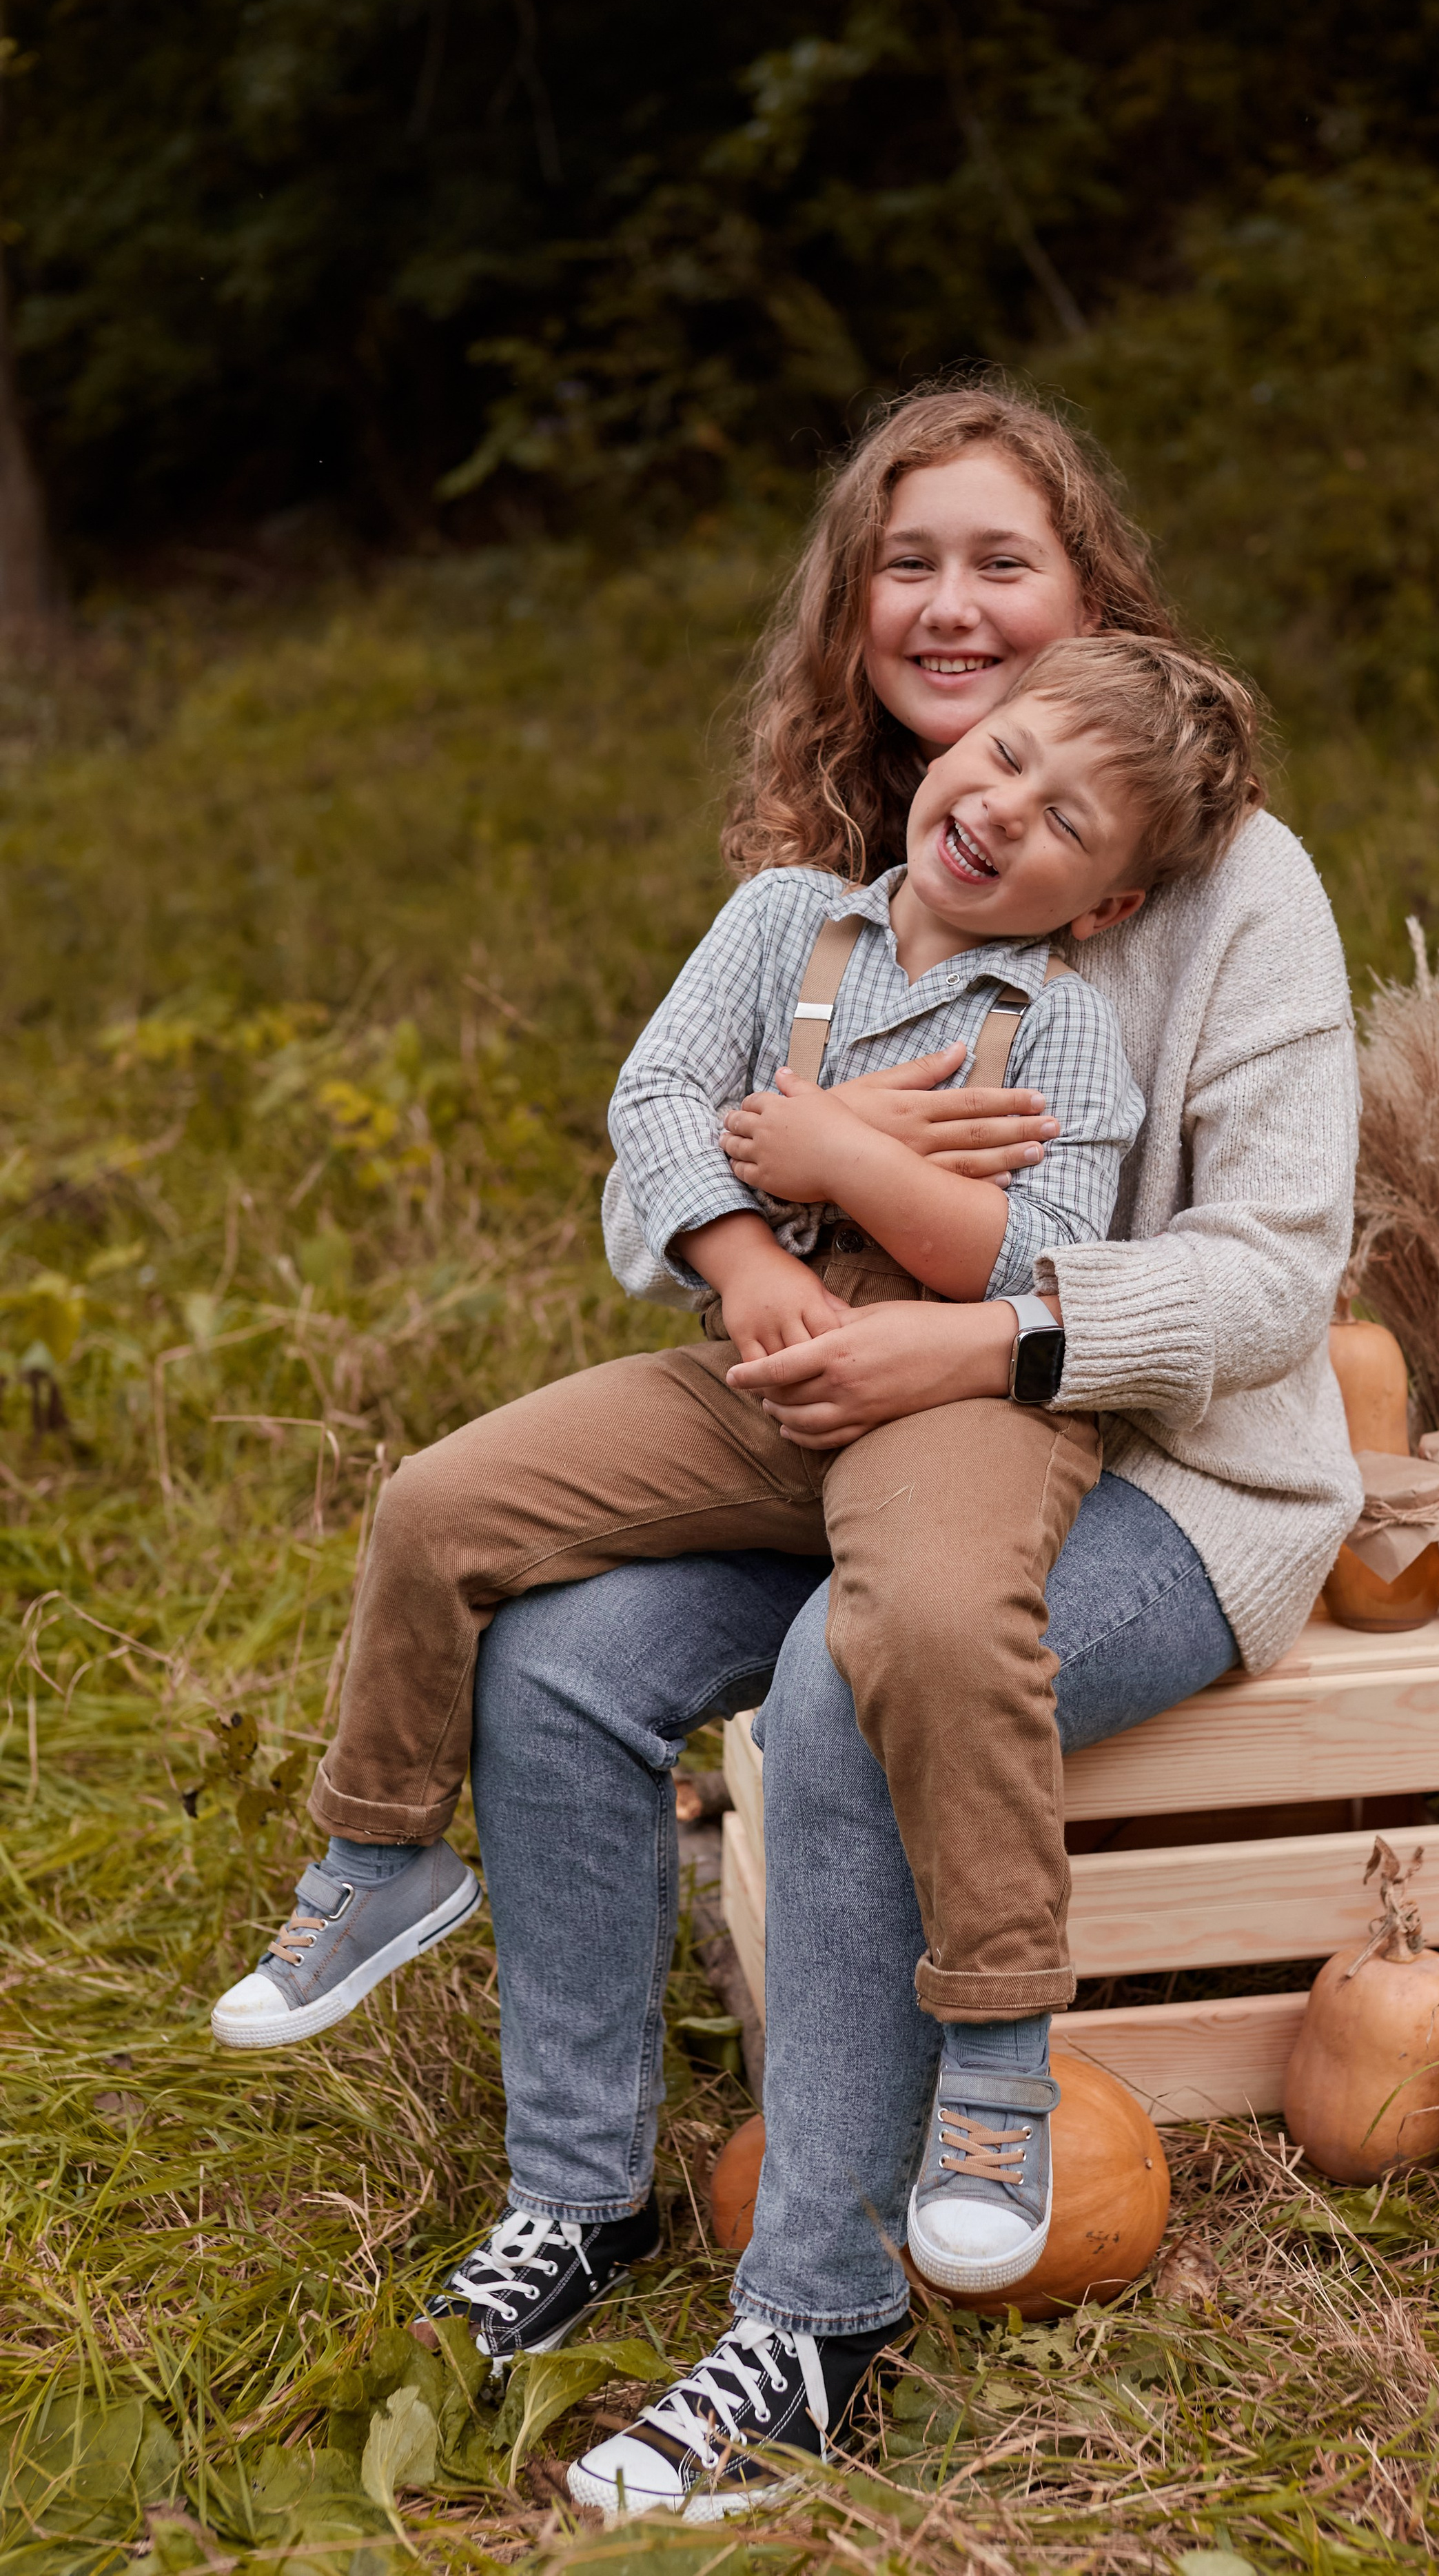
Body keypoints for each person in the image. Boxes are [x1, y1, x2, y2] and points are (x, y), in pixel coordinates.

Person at [254, 380, 1362, 2522]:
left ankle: (816, 2330)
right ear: (853, 610)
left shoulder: (1231, 885)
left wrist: (976, 1312)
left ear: (1094, 599)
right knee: (554, 1659)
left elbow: (1271, 1280)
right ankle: (581, 2196)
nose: (951, 607)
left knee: (852, 1687)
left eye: (1003, 562)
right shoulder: (843, 879)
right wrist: (791, 1187)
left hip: (1165, 1475)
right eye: (905, 563)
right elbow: (653, 1169)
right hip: (856, 1420)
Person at [211, 629, 1265, 2311]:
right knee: (438, 1503)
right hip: (761, 1363)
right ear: (953, 746)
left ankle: (995, 2057)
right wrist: (750, 1256)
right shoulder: (783, 924)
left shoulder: (1066, 1032)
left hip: (955, 1408)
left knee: (933, 1625)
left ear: (1104, 906)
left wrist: (828, 1144)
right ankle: (382, 1850)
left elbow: (1031, 1257)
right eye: (1005, 757)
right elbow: (654, 1103)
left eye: (1067, 820)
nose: (1007, 808)